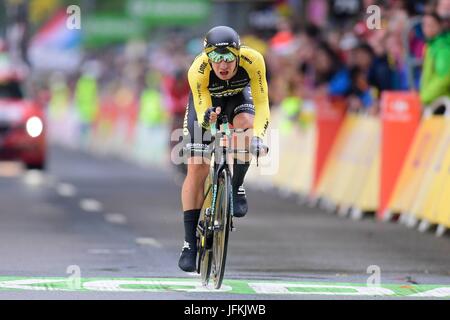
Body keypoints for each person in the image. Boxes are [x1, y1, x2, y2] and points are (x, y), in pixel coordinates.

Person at [178, 26, 270, 272]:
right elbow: (202, 111)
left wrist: (258, 137)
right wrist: (209, 119)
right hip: (208, 105)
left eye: (228, 57)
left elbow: (262, 104)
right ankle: (189, 243)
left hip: (239, 98)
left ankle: (237, 185)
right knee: (196, 167)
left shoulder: (254, 60)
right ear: (207, 57)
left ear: (238, 54)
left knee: (245, 125)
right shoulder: (198, 70)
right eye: (216, 58)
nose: (222, 64)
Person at [420, 12, 450, 106]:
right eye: (425, 25)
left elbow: (444, 78)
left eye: (431, 25)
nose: (427, 28)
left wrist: (424, 97)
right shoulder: (431, 46)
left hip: (440, 103)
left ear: (439, 25)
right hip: (433, 100)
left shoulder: (443, 48)